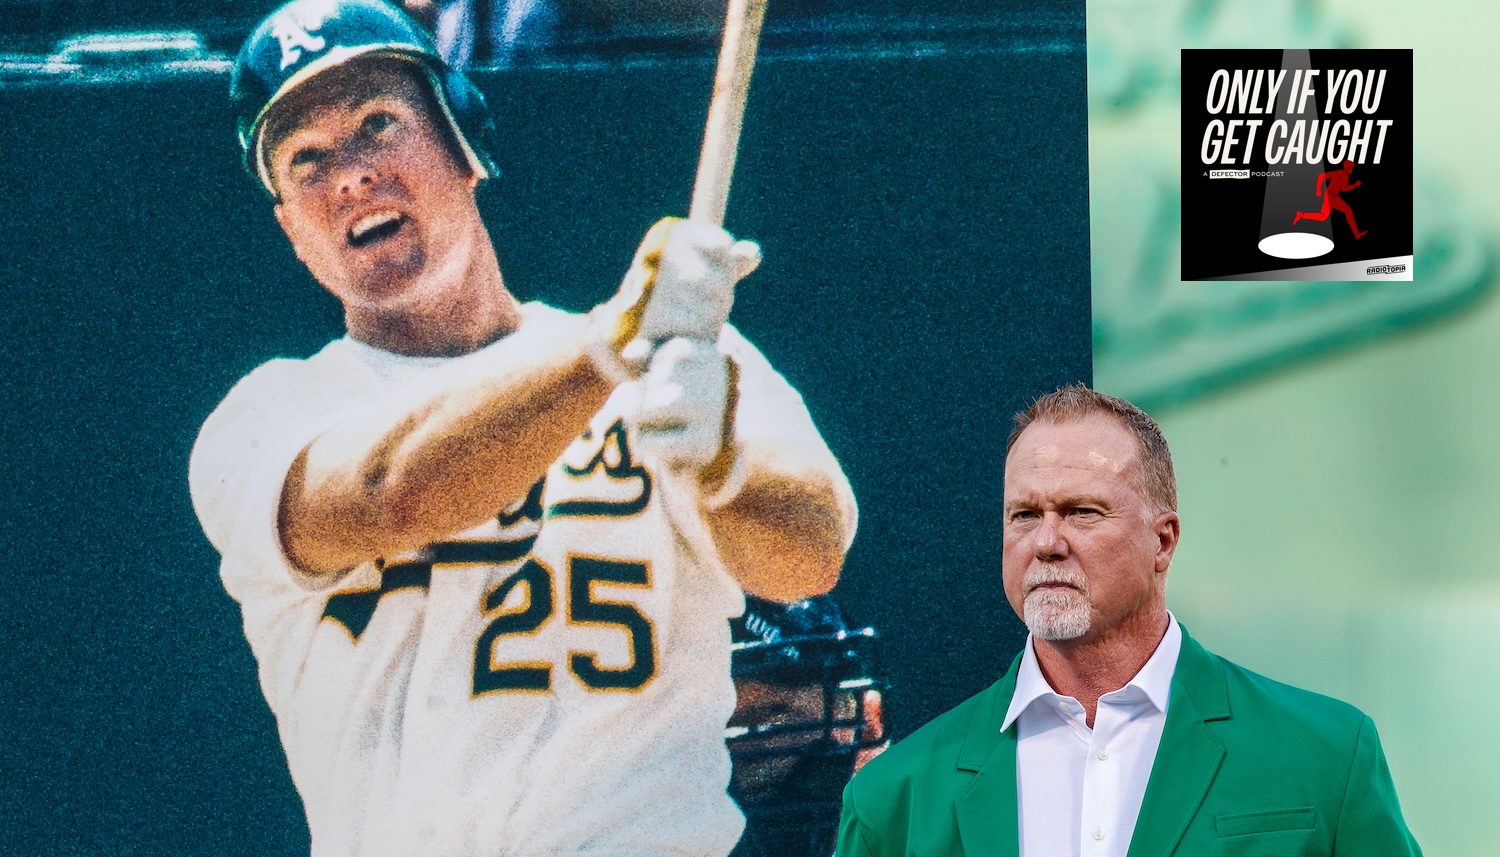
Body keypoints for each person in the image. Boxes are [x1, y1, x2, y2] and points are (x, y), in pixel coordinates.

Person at [189, 1, 856, 854]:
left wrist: (723, 464)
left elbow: (813, 549)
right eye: (306, 160)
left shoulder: (682, 349)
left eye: (377, 124)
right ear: (291, 229)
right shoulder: (268, 414)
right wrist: (609, 348)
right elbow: (395, 493)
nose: (349, 175)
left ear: (462, 138)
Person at [836, 385, 1419, 857]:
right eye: (1023, 514)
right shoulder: (895, 799)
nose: (1045, 542)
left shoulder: (1325, 755)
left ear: (1163, 541)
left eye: (1081, 512)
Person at [1294, 159, 1367, 239]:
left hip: (1328, 195)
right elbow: (1344, 189)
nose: (1351, 170)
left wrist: (1318, 189)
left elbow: (1321, 175)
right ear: (1346, 168)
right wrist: (1355, 185)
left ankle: (1301, 215)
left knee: (1323, 217)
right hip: (1332, 198)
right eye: (1350, 168)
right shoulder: (1345, 176)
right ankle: (1357, 235)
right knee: (1348, 211)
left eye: (1352, 168)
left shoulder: (1336, 172)